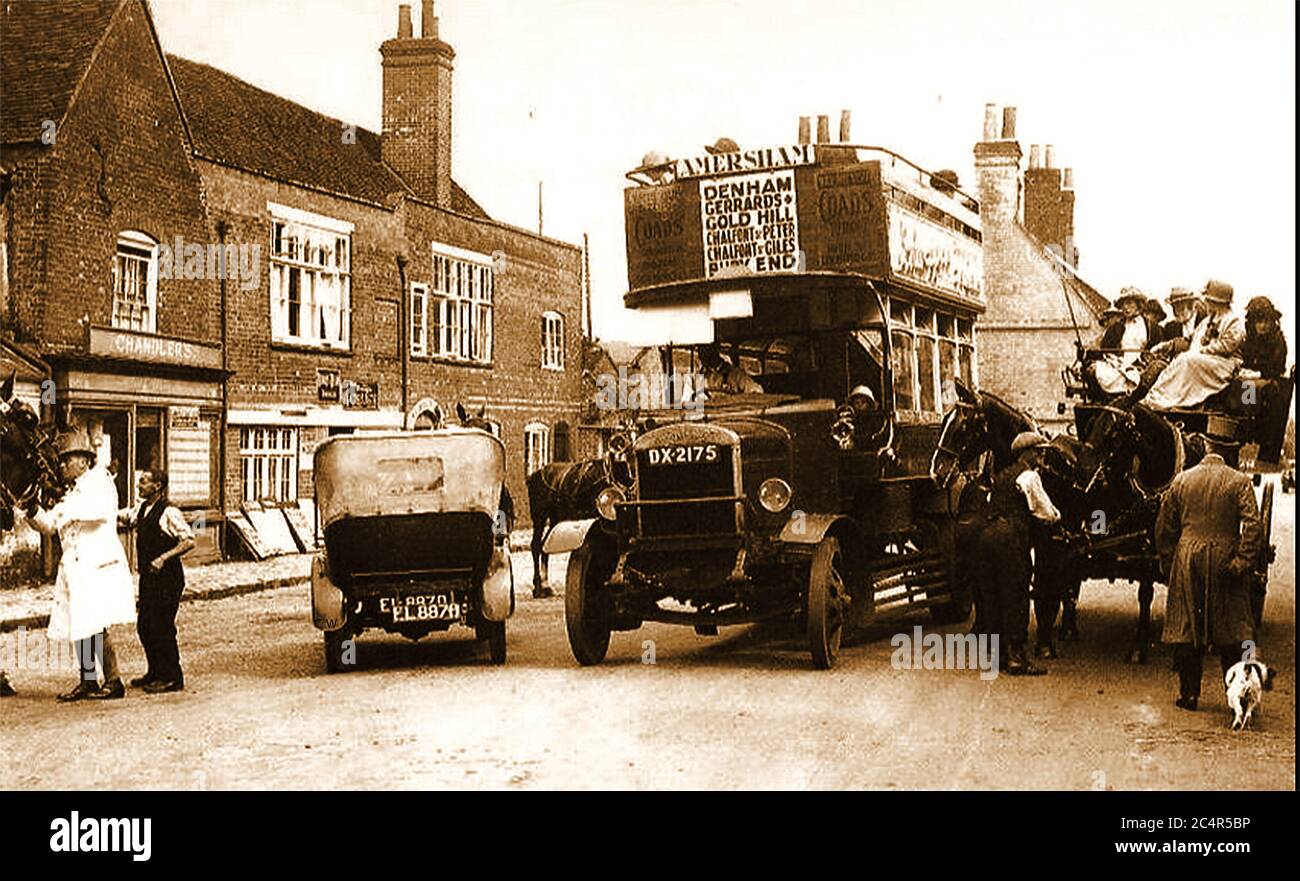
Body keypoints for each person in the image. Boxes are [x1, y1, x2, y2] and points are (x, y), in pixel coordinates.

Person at [28, 428, 135, 702]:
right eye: (61, 461)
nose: (62, 465)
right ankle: (88, 680)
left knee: (96, 624)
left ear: (85, 461)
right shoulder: (74, 492)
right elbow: (50, 525)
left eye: (67, 460)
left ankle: (113, 681)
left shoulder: (101, 482)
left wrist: (64, 511)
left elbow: (98, 513)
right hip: (75, 568)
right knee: (80, 625)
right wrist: (31, 510)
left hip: (96, 565)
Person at [1155, 435, 1261, 711]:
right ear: (1229, 451)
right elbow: (1253, 527)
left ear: (1206, 448)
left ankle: (1189, 695)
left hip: (1188, 557)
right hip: (1225, 558)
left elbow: (1164, 527)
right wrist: (1242, 562)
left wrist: (1169, 563)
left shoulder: (1182, 480)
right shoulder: (1239, 482)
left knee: (1188, 627)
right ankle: (1236, 695)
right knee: (1232, 629)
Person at [975, 431, 1061, 675]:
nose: (1043, 455)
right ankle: (1016, 658)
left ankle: (998, 656)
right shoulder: (1030, 476)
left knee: (993, 596)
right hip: (1010, 540)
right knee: (1016, 595)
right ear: (1028, 454)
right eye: (1039, 451)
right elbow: (1045, 511)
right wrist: (1058, 517)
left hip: (987, 535)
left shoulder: (1001, 476)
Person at [118, 470, 195, 693]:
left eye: (144, 482)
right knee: (145, 626)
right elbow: (124, 516)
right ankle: (155, 671)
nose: (139, 485)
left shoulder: (169, 512)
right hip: (149, 577)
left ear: (157, 486)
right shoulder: (142, 509)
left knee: (162, 626)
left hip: (168, 578)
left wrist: (163, 558)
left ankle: (172, 677)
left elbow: (189, 540)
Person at [1143, 279, 1245, 409]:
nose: (1206, 303)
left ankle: (1162, 400)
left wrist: (1201, 351)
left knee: (1187, 359)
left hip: (1225, 364)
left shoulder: (1233, 321)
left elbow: (1226, 346)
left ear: (1218, 302)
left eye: (1208, 300)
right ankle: (1157, 398)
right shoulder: (1207, 320)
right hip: (1205, 361)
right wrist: (1164, 346)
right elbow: (1189, 340)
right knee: (1179, 360)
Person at [1091, 287, 1149, 394]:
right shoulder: (1117, 327)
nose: (1126, 308)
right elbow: (1106, 349)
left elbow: (1156, 348)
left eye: (1129, 303)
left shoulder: (1149, 326)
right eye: (1123, 304)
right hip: (1121, 364)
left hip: (1143, 365)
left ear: (1138, 304)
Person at [698, 343, 763, 396]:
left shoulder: (735, 374)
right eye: (701, 352)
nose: (702, 356)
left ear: (716, 351)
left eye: (707, 351)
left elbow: (757, 390)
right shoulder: (703, 376)